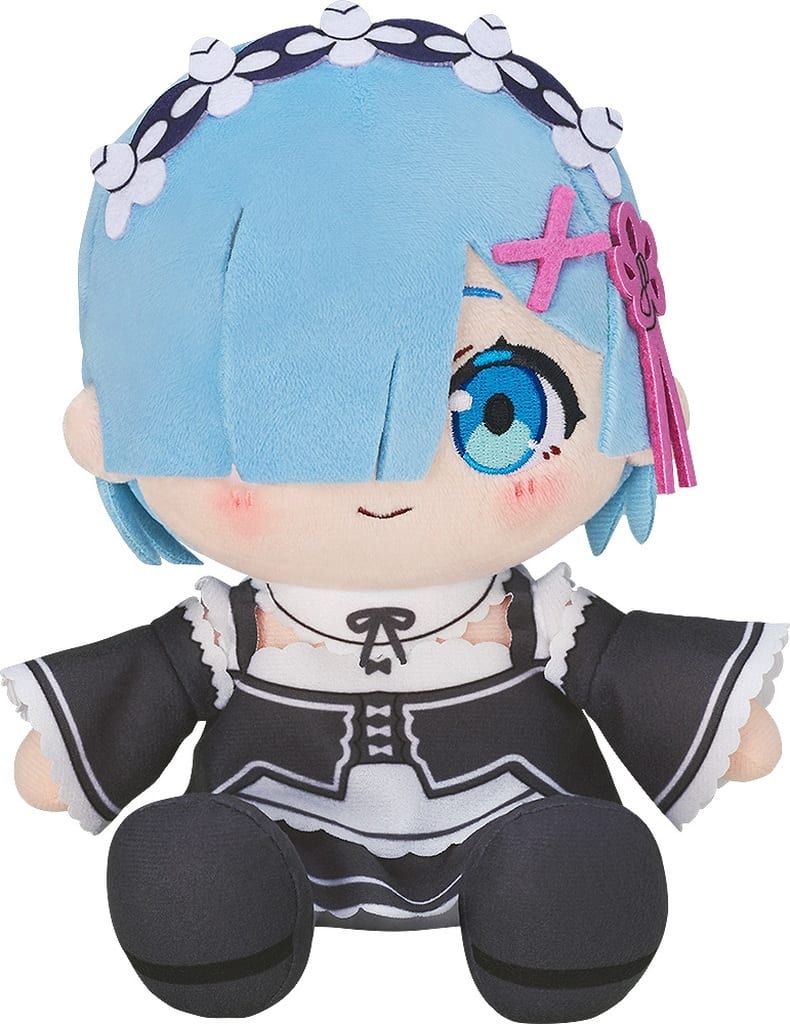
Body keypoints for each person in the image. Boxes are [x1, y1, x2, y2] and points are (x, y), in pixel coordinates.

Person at [3, 7, 783, 1021]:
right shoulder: (234, 630)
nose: (382, 483)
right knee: (193, 875)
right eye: (268, 426)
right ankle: (226, 914)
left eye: (499, 411)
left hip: (516, 818)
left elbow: (620, 662)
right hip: (273, 828)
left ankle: (551, 925)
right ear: (112, 425)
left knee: (567, 877)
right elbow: (152, 681)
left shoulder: (532, 620)